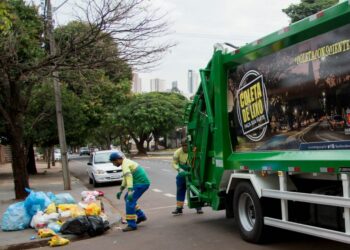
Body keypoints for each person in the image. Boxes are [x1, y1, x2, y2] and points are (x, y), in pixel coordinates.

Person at [110, 152, 150, 232]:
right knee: (127, 198)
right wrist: (121, 190)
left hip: (141, 183)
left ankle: (131, 225)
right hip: (140, 183)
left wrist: (130, 190)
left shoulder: (125, 164)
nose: (113, 164)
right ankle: (141, 215)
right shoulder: (125, 163)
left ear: (118, 159)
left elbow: (128, 177)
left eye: (113, 162)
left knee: (129, 200)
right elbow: (125, 178)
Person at [171, 139, 203, 215]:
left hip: (192, 173)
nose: (185, 147)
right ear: (181, 146)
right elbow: (174, 163)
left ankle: (198, 207)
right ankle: (179, 208)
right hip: (182, 173)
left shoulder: (193, 151)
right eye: (183, 146)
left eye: (186, 146)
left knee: (195, 190)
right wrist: (179, 170)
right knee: (180, 189)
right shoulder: (177, 153)